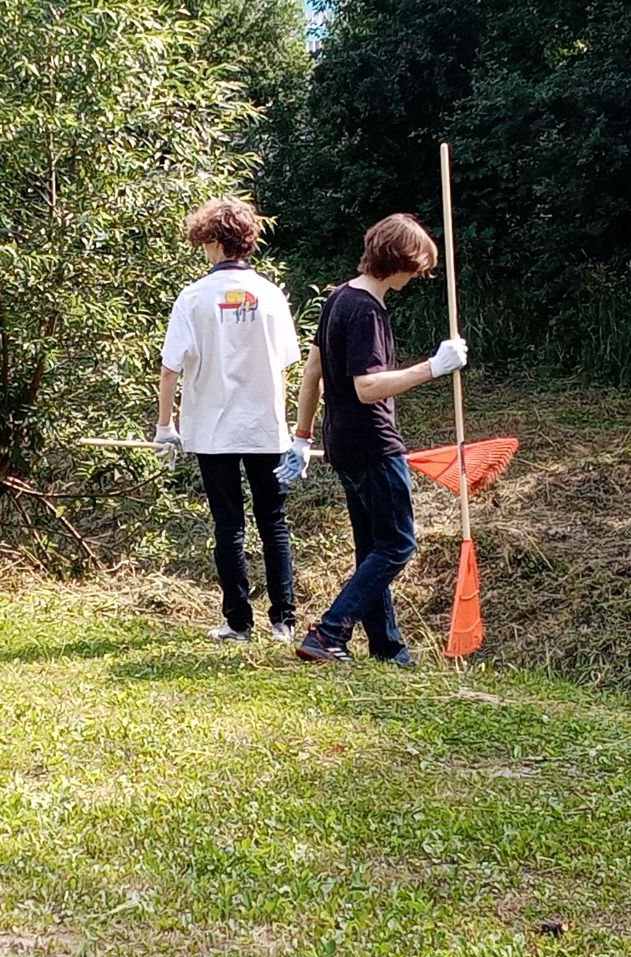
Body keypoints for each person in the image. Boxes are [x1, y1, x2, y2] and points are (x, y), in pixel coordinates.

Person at [275, 213, 467, 667]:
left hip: (342, 441)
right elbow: (368, 387)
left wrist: (303, 435)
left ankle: (387, 647)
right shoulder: (366, 311)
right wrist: (434, 367)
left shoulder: (339, 298)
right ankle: (329, 632)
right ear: (400, 261)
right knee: (398, 543)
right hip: (373, 442)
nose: (417, 277)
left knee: (373, 547)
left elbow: (313, 371)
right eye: (417, 267)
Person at [154, 198, 301, 643]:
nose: (204, 250)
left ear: (216, 242)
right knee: (273, 521)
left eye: (205, 242)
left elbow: (170, 368)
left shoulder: (193, 297)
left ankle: (238, 622)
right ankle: (284, 621)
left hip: (212, 429)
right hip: (265, 427)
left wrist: (165, 426)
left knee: (229, 525)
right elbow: (286, 362)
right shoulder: (270, 295)